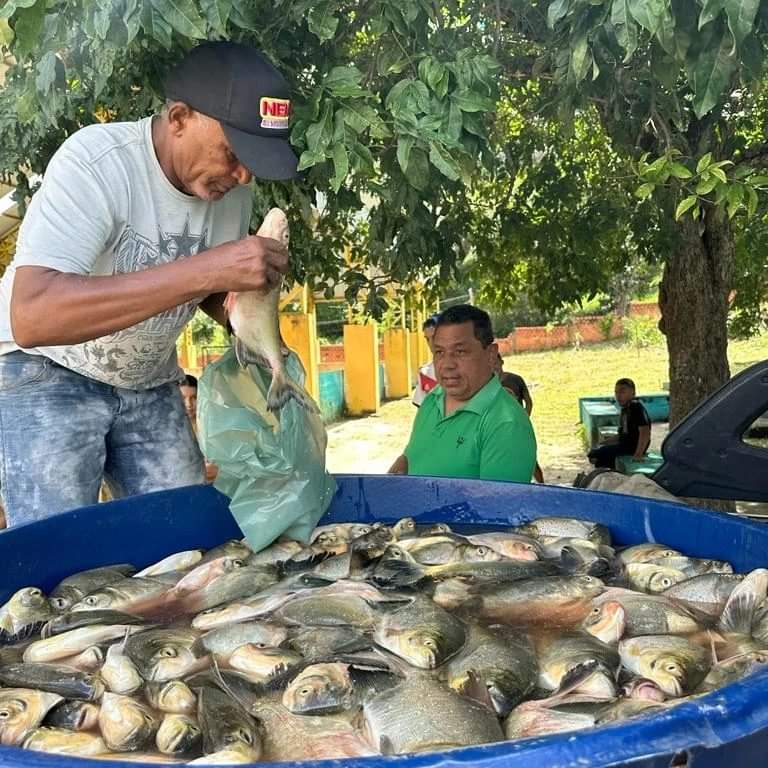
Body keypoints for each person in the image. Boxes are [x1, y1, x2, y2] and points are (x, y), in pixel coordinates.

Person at [0, 41, 298, 526]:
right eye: (233, 152)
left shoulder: (231, 196)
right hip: (47, 372)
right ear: (179, 117)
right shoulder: (97, 163)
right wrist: (213, 269)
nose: (243, 174)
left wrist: (240, 310)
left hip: (150, 379)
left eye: (254, 160)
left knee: (182, 541)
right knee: (59, 555)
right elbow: (32, 315)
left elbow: (204, 291)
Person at [389, 305, 536, 482]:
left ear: (490, 355)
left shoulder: (506, 423)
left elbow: (496, 507)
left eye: (460, 352)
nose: (447, 364)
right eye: (439, 352)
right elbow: (412, 456)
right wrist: (394, 476)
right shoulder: (432, 400)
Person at [495, 354, 545, 483]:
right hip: (496, 428)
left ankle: (542, 485)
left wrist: (524, 418)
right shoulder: (484, 384)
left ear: (501, 362)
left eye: (496, 361)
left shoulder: (515, 379)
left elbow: (528, 401)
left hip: (517, 426)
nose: (493, 365)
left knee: (529, 457)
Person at [588, 378, 651, 470]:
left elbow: (645, 432)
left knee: (596, 455)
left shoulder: (636, 407)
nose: (618, 396)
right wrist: (602, 443)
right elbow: (621, 435)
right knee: (595, 454)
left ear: (633, 393)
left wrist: (638, 454)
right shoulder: (625, 410)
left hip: (632, 447)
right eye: (616, 392)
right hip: (624, 445)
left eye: (622, 392)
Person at [178, 373, 218, 483]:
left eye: (194, 398)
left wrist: (219, 470)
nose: (189, 404)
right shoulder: (170, 432)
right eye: (183, 398)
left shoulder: (212, 427)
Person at [411, 314, 439, 406]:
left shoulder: (465, 369)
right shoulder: (425, 373)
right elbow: (421, 409)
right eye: (427, 339)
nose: (431, 344)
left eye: (435, 337)